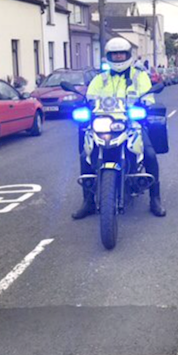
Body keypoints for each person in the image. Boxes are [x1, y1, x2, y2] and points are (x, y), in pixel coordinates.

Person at [72, 37, 166, 220]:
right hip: (103, 123)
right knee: (85, 155)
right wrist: (84, 104)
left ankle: (155, 199)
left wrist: (145, 104)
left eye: (121, 54)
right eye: (114, 55)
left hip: (131, 124)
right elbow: (90, 97)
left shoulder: (140, 77)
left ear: (128, 55)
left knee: (150, 154)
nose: (118, 58)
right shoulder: (101, 79)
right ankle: (88, 201)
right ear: (108, 56)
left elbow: (148, 97)